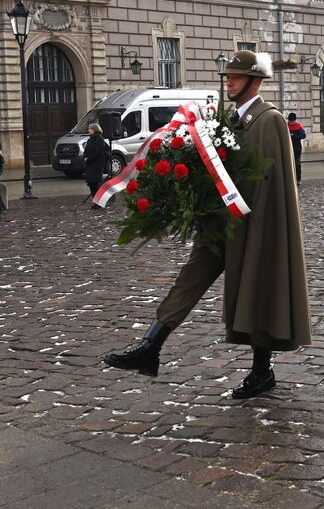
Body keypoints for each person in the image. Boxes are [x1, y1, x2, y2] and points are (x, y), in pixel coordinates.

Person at [103, 50, 312, 399]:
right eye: (227, 75)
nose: (227, 80)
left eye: (235, 75)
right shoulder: (233, 120)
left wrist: (252, 224)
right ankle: (150, 347)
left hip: (252, 224)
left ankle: (262, 371)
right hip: (222, 222)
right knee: (191, 277)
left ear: (254, 81)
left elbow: (268, 184)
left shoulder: (269, 119)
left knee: (257, 289)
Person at [83, 122, 110, 210]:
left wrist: (89, 159)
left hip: (97, 164)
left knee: (95, 183)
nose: (88, 130)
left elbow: (98, 152)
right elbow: (86, 150)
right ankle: (95, 201)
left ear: (94, 130)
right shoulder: (90, 139)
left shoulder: (99, 139)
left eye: (90, 129)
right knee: (90, 183)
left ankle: (99, 202)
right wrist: (84, 157)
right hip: (90, 164)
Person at [286, 112, 306, 182]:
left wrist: (294, 137)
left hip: (297, 148)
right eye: (290, 121)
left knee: (297, 164)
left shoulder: (298, 126)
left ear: (294, 120)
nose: (291, 122)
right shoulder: (285, 125)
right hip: (288, 147)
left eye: (292, 121)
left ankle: (298, 179)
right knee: (288, 164)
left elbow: (303, 135)